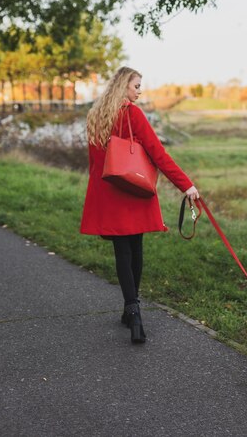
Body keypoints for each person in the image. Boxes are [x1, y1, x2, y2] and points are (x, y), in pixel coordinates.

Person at [80, 66, 199, 343]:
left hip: (109, 193)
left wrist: (97, 196)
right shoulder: (132, 114)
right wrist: (186, 185)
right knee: (136, 249)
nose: (139, 90)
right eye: (136, 85)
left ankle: (130, 311)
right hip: (133, 191)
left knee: (122, 253)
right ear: (123, 86)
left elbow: (94, 164)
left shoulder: (95, 116)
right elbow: (158, 153)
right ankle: (134, 312)